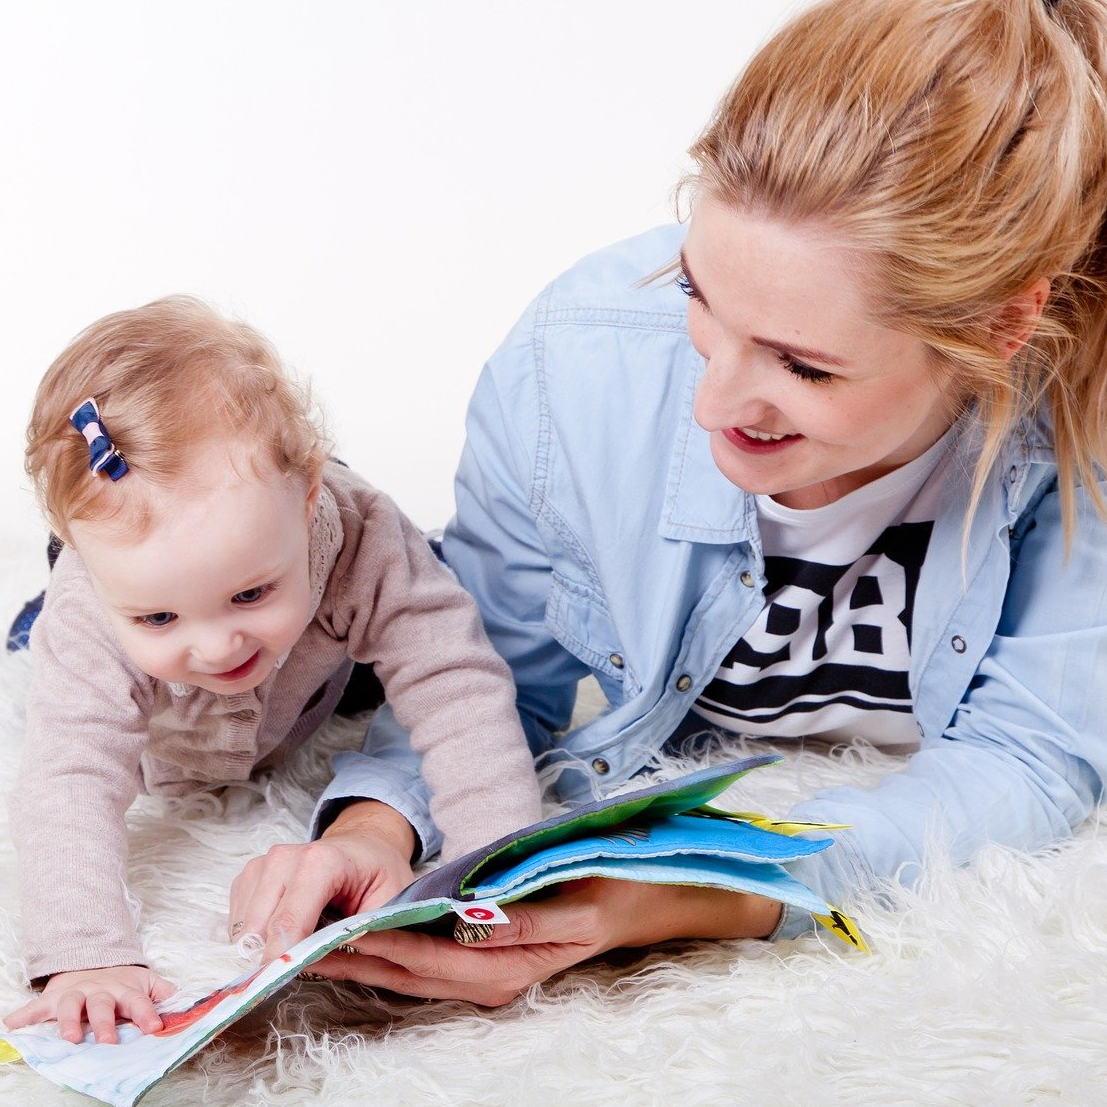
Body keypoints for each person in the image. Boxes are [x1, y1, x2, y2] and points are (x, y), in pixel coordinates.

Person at [234, 0, 1107, 1006]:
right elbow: (481, 668)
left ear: (1003, 328)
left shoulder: (1072, 423)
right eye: (698, 293)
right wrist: (374, 828)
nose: (712, 402)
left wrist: (706, 894)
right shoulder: (576, 361)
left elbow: (1031, 759)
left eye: (803, 367)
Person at [0, 296, 542, 1042]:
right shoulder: (90, 607)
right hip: (161, 708)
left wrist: (505, 864)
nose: (219, 647)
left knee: (437, 597)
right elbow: (67, 777)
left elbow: (455, 683)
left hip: (309, 675)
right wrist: (84, 956)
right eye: (159, 616)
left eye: (249, 592)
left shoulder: (356, 530)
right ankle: (58, 614)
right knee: (40, 646)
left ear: (309, 492)